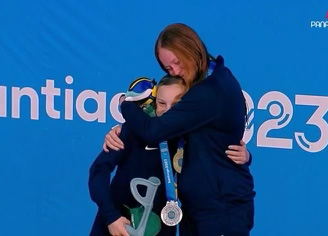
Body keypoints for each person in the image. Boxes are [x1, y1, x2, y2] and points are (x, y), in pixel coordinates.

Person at [114, 23, 256, 235]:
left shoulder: (210, 91)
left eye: (177, 62)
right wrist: (119, 131)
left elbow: (153, 131)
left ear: (192, 49)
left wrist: (126, 103)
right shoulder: (210, 78)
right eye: (169, 69)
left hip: (221, 211)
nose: (176, 71)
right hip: (200, 208)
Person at [88, 75, 250, 236]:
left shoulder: (194, 138)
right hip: (117, 226)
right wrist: (111, 217)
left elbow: (223, 162)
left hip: (162, 226)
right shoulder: (133, 131)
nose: (168, 111)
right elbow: (97, 172)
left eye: (177, 104)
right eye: (162, 103)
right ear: (154, 102)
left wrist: (246, 156)